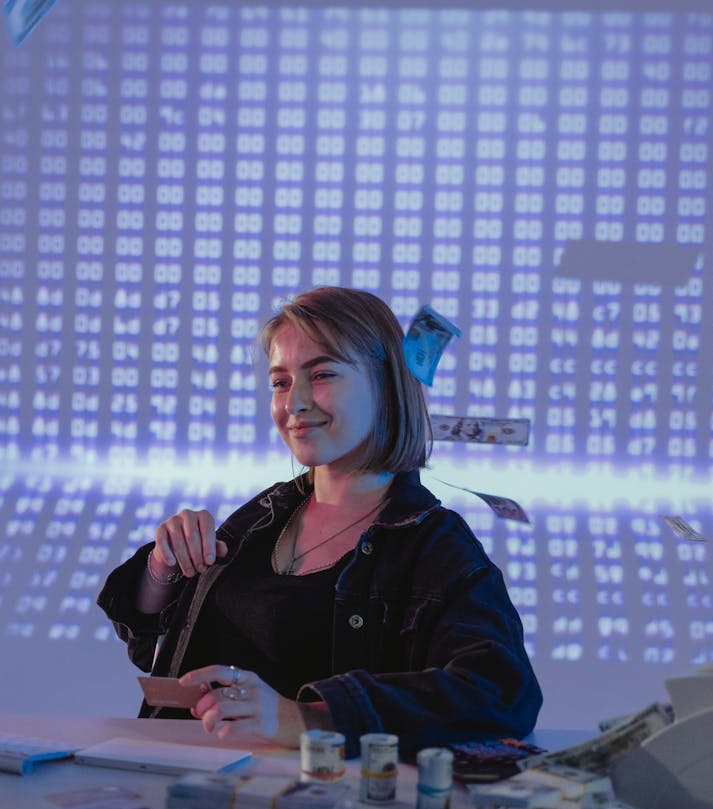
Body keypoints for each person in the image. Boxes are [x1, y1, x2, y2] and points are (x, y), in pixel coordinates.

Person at [96, 286, 541, 758]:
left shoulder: (435, 543)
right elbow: (159, 648)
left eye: (323, 374)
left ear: (386, 384)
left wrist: (305, 719)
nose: (295, 404)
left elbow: (500, 693)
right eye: (281, 382)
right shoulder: (260, 518)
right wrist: (162, 570)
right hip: (186, 790)